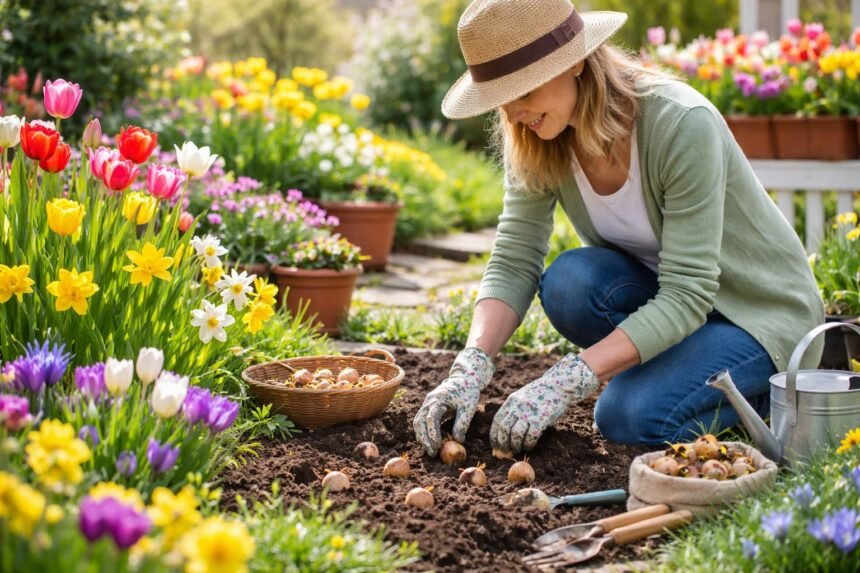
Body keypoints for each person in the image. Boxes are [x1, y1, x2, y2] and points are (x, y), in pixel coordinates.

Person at [412, 0, 824, 458]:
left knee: (626, 417)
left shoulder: (680, 123)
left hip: (758, 316)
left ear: (574, 63)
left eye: (522, 92)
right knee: (571, 283)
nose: (512, 115)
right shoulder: (536, 135)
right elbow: (514, 255)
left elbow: (689, 291)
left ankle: (767, 399)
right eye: (501, 100)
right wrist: (471, 364)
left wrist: (572, 378)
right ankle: (684, 372)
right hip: (682, 311)